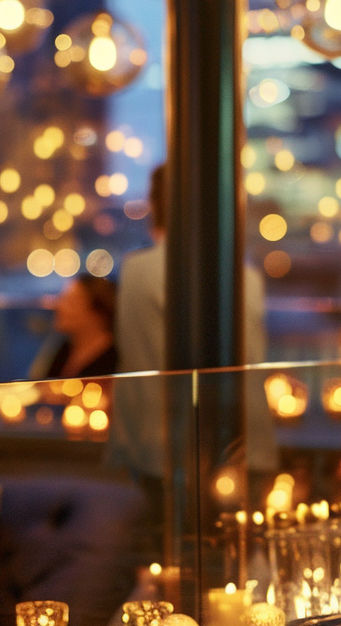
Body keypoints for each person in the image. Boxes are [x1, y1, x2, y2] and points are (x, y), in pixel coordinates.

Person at [109, 163, 276, 481]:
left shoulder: (137, 271)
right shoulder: (243, 276)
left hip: (158, 451)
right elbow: (248, 362)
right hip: (240, 448)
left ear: (155, 205)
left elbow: (136, 368)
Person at [29, 274, 119, 380]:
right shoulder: (63, 348)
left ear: (97, 314)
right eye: (62, 299)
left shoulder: (115, 360)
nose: (59, 306)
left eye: (70, 303)